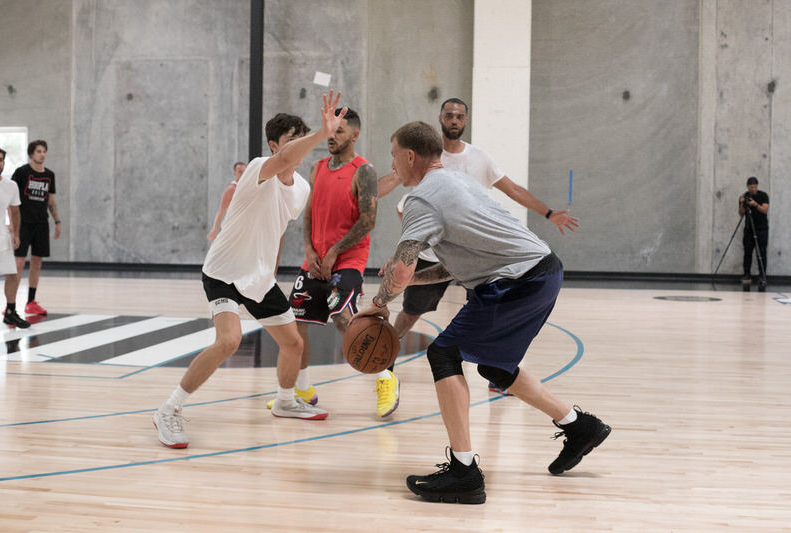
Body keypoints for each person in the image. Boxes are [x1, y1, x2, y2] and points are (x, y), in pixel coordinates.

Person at [353, 121, 610, 504]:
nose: (393, 163)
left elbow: (403, 265)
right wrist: (405, 280)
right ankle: (580, 426)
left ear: (410, 156)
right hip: (539, 272)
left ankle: (464, 472)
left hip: (517, 282)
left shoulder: (422, 199)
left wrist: (376, 306)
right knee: (495, 367)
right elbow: (453, 269)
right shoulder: (458, 183)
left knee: (444, 353)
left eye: (393, 155)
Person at [153, 91, 346, 449]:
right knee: (229, 340)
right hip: (223, 271)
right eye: (294, 140)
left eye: (304, 138)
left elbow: (278, 226)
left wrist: (268, 272)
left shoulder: (301, 187)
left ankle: (286, 400)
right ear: (274, 145)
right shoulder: (259, 167)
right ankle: (169, 409)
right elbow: (289, 157)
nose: (299, 148)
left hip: (257, 278)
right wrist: (321, 134)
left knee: (292, 343)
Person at [379, 97, 579, 395]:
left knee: (449, 348)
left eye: (459, 115)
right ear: (440, 119)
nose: (454, 120)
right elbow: (397, 204)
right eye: (449, 115)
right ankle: (386, 367)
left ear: (466, 120)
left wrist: (549, 213)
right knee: (411, 314)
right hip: (444, 254)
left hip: (486, 260)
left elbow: (512, 189)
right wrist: (411, 250)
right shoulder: (424, 166)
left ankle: (497, 382)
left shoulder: (474, 161)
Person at [282, 107, 399, 419]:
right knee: (295, 325)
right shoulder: (317, 167)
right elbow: (308, 214)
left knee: (345, 321)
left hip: (348, 260)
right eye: (330, 130)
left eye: (340, 131)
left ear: (355, 135)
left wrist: (334, 251)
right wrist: (309, 249)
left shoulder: (364, 171)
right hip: (315, 261)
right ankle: (303, 389)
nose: (331, 136)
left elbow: (368, 220)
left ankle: (384, 378)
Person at [11, 140, 61, 316]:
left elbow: (50, 200)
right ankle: (11, 305)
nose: (42, 154)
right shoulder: (21, 172)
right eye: (39, 151)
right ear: (31, 153)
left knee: (37, 263)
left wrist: (57, 221)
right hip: (23, 224)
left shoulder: (49, 175)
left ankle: (31, 302)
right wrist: (12, 225)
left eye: (44, 151)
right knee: (18, 263)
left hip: (41, 224)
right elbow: (12, 200)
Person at [0, 147, 30, 328]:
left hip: (1, 236)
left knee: (12, 275)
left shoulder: (10, 186)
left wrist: (16, 234)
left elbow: (15, 211)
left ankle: (10, 312)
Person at [738, 176, 770, 290]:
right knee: (747, 252)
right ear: (747, 186)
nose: (753, 189)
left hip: (761, 229)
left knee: (761, 252)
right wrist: (742, 203)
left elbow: (765, 210)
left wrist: (755, 204)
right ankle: (747, 274)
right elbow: (741, 214)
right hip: (749, 229)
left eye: (755, 187)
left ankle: (762, 275)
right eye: (751, 187)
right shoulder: (744, 197)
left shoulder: (763, 195)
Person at [207, 161, 247, 241]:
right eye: (239, 171)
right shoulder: (231, 189)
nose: (242, 174)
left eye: (244, 172)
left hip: (245, 227)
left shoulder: (247, 188)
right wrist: (215, 229)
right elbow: (221, 210)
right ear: (235, 173)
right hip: (232, 227)